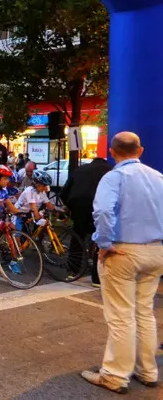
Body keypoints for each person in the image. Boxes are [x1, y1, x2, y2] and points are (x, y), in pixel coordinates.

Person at [80, 132, 163, 394]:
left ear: (112, 151)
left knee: (121, 316)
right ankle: (147, 371)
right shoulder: (159, 178)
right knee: (144, 312)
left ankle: (115, 375)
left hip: (123, 251)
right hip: (156, 250)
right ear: (140, 150)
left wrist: (103, 244)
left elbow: (103, 211)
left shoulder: (114, 177)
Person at [60, 157, 112, 286]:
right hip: (98, 206)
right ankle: (97, 278)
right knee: (99, 239)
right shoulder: (111, 171)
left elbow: (64, 192)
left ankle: (73, 270)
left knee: (77, 236)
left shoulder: (80, 169)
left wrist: (70, 207)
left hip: (78, 206)